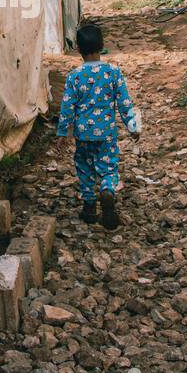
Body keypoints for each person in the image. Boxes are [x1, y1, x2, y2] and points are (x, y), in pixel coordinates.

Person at [55, 23, 140, 228]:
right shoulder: (113, 72)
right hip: (107, 134)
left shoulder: (74, 76)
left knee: (84, 167)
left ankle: (90, 207)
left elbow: (67, 107)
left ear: (78, 49)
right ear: (102, 46)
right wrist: (132, 126)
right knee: (108, 166)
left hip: (83, 134)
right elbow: (124, 102)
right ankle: (107, 190)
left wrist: (62, 133)